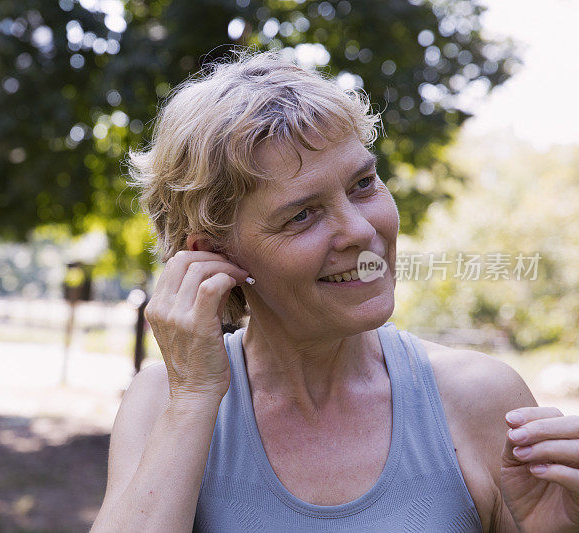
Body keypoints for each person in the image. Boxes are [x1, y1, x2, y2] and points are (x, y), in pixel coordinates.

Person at [90, 51, 578, 532]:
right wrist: (195, 397)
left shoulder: (482, 398)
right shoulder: (166, 403)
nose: (360, 230)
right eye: (302, 214)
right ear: (217, 257)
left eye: (364, 184)